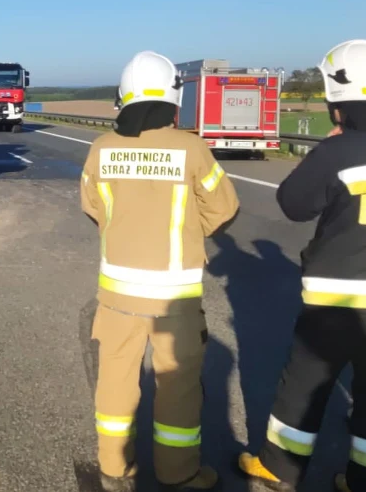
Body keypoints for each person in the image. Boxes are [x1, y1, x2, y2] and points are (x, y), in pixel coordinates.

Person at [238, 40, 366, 492]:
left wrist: (324, 153)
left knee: (304, 388)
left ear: (338, 97)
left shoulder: (338, 152)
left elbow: (293, 204)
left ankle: (280, 468)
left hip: (336, 299)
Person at [81, 51, 239, 491]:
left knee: (114, 385)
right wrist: (190, 229)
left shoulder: (102, 147)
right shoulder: (191, 147)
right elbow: (224, 209)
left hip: (116, 296)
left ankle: (113, 467)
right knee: (177, 389)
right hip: (175, 299)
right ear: (173, 102)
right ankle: (179, 473)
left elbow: (93, 208)